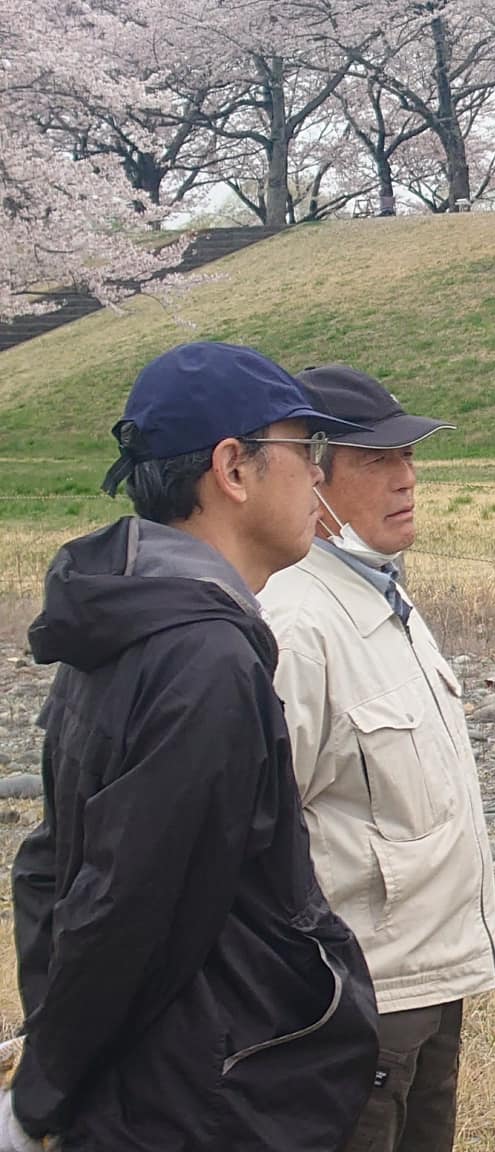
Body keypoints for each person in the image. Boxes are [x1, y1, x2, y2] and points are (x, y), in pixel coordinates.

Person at [6, 342, 381, 1151]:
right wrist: (42, 1097)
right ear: (233, 468)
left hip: (154, 1081)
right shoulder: (201, 658)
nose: (319, 477)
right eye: (301, 449)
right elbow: (130, 904)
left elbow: (48, 871)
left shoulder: (128, 619)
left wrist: (59, 1048)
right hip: (199, 1099)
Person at [259, 365, 495, 1152]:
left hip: (429, 978)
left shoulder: (380, 594)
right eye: (376, 460)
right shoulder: (294, 622)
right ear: (310, 476)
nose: (407, 479)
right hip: (352, 1003)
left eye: (409, 456)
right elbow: (253, 831)